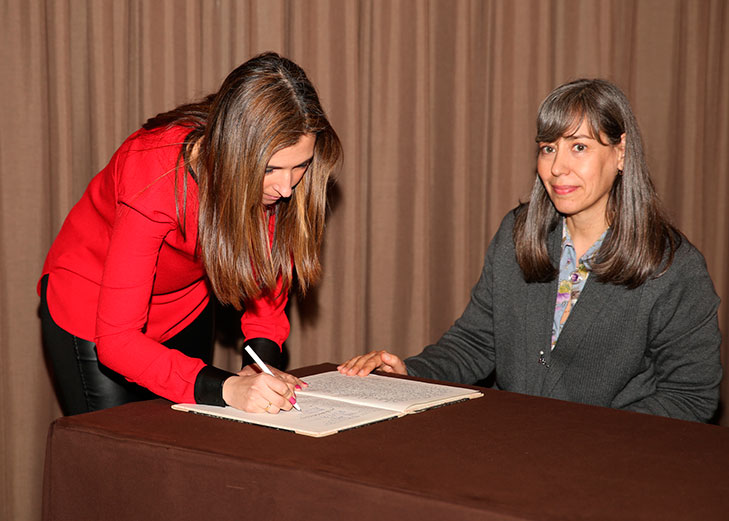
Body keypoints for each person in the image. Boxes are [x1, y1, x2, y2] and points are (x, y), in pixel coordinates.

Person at [339, 78, 722, 423]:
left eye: (579, 147)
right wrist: (408, 373)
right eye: (548, 148)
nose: (557, 168)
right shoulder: (519, 232)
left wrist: (597, 437)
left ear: (621, 152)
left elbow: (689, 397)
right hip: (511, 445)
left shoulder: (674, 266)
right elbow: (475, 343)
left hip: (611, 462)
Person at [39, 52, 342, 416]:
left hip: (185, 304)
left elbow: (267, 274)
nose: (287, 188)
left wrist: (260, 363)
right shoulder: (154, 174)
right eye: (270, 169)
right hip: (93, 309)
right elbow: (117, 341)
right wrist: (227, 387)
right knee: (119, 448)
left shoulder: (276, 183)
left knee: (187, 443)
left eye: (300, 166)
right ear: (233, 151)